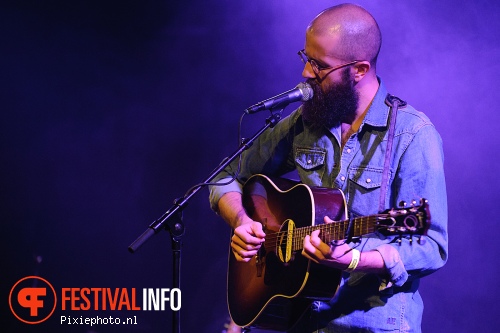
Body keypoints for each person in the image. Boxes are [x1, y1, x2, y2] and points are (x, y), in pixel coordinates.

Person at [210, 3, 448, 333]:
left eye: (319, 65)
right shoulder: (305, 122)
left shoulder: (413, 135)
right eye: (305, 58)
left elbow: (431, 246)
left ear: (360, 70)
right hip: (302, 320)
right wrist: (242, 220)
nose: (306, 72)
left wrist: (355, 260)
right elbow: (224, 177)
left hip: (371, 325)